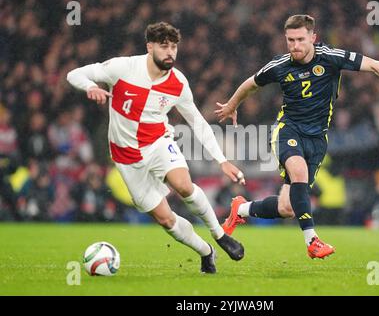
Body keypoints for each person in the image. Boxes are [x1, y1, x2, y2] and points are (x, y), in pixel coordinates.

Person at [215, 14, 379, 259]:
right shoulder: (280, 65)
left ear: (313, 38)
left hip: (317, 139)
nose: (295, 46)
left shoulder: (330, 57)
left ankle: (240, 209)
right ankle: (312, 241)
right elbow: (251, 84)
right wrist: (232, 105)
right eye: (290, 40)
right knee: (299, 172)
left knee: (287, 208)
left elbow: (374, 65)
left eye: (300, 40)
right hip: (289, 129)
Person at [67, 22, 246, 274]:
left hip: (158, 143)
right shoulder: (123, 67)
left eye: (174, 47)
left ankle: (219, 234)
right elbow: (74, 74)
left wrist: (221, 160)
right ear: (149, 47)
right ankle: (206, 250)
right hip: (126, 156)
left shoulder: (178, 82)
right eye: (164, 46)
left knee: (183, 185)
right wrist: (91, 87)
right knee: (166, 219)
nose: (170, 52)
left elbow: (197, 120)